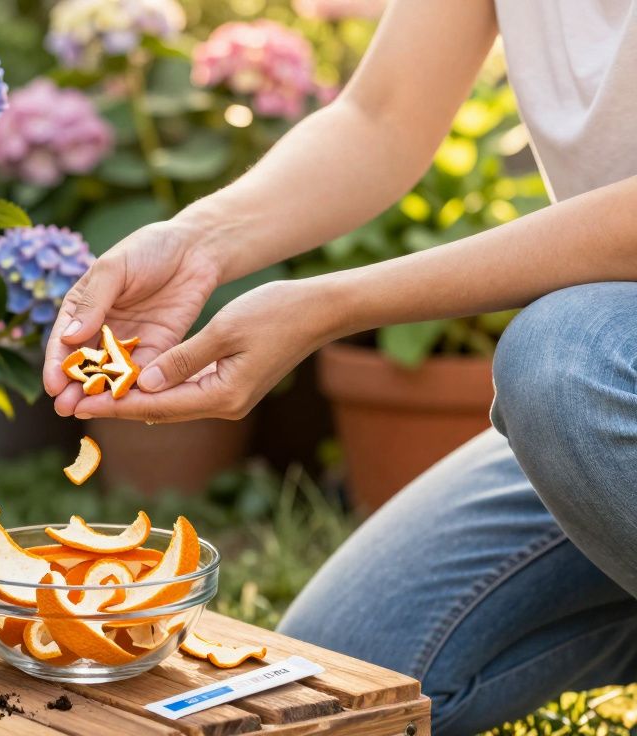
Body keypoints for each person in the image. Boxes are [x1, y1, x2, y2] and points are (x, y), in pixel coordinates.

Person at [42, 0, 637, 731]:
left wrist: (331, 305)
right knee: (339, 677)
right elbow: (383, 115)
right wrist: (198, 240)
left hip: (607, 369)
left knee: (562, 360)